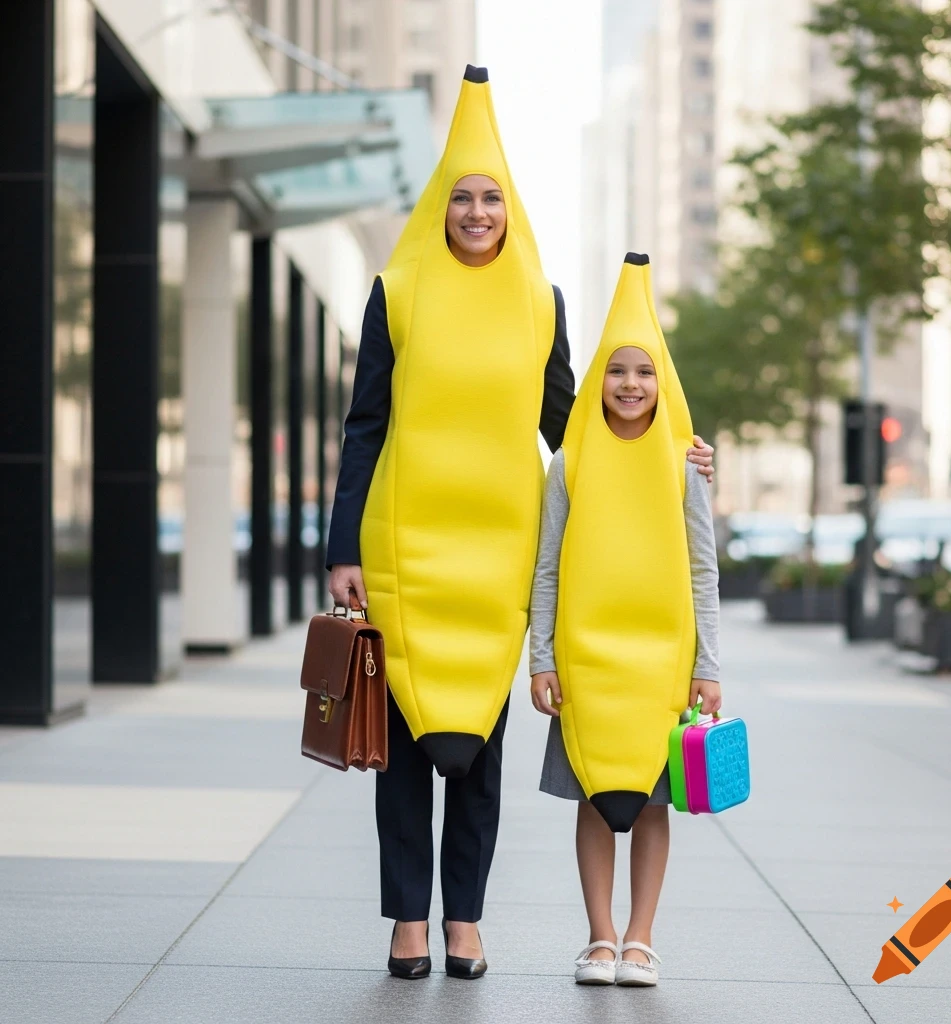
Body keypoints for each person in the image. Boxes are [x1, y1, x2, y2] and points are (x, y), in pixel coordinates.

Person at [325, 69, 715, 980]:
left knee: (478, 748)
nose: (474, 211)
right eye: (460, 196)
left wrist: (674, 455)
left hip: (499, 553)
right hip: (404, 545)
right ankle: (407, 921)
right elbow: (364, 425)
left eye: (490, 197)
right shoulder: (396, 291)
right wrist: (343, 546)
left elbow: (569, 423)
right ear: (440, 205)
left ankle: (464, 918)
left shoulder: (542, 304)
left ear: (510, 210)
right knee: (404, 746)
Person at [529, 253, 722, 988]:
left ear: (661, 382)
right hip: (584, 662)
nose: (631, 385)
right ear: (597, 381)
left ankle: (641, 936)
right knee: (590, 791)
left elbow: (703, 568)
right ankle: (599, 936)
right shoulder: (569, 464)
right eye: (616, 371)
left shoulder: (685, 466)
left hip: (661, 664)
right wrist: (541, 656)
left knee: (649, 799)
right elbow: (548, 567)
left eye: (644, 372)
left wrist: (707, 664)